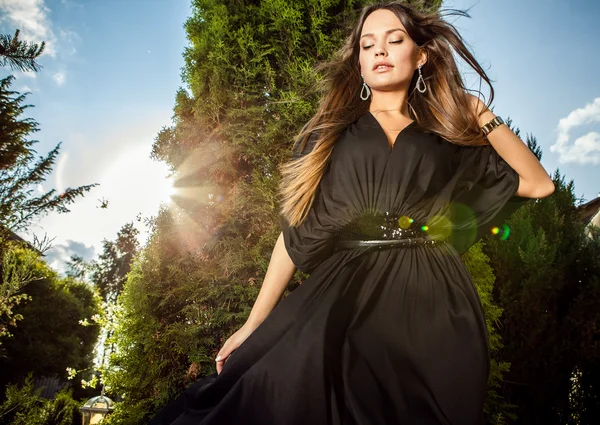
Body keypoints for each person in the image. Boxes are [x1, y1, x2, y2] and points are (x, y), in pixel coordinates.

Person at [149, 2, 555, 424]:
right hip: (345, 294)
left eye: (395, 40)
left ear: (421, 56)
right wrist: (254, 323)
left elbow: (538, 184)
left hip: (433, 301)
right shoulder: (329, 136)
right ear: (359, 64)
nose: (380, 51)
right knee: (274, 390)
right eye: (368, 44)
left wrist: (478, 113)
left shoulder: (446, 138)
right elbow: (294, 234)